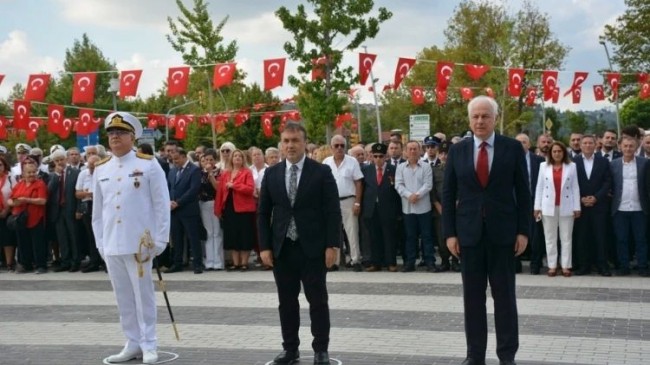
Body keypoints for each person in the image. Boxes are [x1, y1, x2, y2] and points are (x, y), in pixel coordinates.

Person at [442, 96, 531, 365]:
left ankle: (507, 355)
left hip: (503, 235)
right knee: (472, 300)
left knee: (505, 299)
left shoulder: (512, 148)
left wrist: (523, 232)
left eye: (485, 116)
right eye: (475, 117)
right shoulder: (457, 151)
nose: (480, 121)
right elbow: (448, 195)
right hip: (468, 236)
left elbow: (524, 194)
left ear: (495, 118)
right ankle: (475, 355)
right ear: (469, 120)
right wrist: (450, 234)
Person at [258, 122, 341, 365]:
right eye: (286, 141)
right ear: (280, 144)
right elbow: (263, 213)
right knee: (286, 302)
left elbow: (332, 211)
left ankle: (320, 350)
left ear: (304, 143)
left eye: (295, 140)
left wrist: (332, 245)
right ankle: (290, 349)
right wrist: (264, 246)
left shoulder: (321, 172)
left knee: (317, 300)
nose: (290, 145)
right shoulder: (271, 174)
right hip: (282, 249)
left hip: (313, 248)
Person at [92, 112, 170, 364]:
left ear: (132, 136)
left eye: (120, 133)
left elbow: (160, 204)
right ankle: (132, 342)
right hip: (113, 243)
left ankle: (149, 343)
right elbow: (98, 212)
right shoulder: (101, 168)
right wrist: (100, 243)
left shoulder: (148, 164)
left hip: (140, 243)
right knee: (123, 297)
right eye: (111, 133)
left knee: (143, 295)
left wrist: (160, 240)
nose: (115, 137)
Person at [534, 141, 581, 277]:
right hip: (548, 206)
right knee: (550, 238)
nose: (557, 154)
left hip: (567, 205)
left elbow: (575, 187)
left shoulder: (571, 166)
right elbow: (540, 187)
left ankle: (566, 266)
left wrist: (577, 207)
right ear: (550, 153)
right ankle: (552, 266)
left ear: (563, 152)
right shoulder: (543, 166)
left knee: (566, 238)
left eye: (559, 151)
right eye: (554, 151)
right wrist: (537, 207)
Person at [322, 135, 364, 271]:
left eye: (342, 145)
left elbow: (358, 182)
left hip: (349, 200)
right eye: (336, 145)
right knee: (333, 232)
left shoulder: (352, 161)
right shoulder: (326, 162)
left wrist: (357, 203)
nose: (339, 148)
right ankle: (334, 262)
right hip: (331, 202)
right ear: (331, 147)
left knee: (352, 230)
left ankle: (356, 259)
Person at [395, 141, 438, 272]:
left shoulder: (426, 167)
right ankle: (410, 262)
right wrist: (409, 195)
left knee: (427, 236)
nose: (413, 151)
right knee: (410, 236)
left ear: (420, 151)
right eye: (410, 149)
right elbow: (398, 185)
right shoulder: (401, 167)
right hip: (408, 208)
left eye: (415, 149)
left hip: (423, 207)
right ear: (405, 152)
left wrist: (417, 195)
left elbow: (428, 185)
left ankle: (430, 262)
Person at [610, 136, 650, 276]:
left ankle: (643, 266)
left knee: (641, 239)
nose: (628, 149)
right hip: (620, 208)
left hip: (640, 208)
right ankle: (623, 266)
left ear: (636, 147)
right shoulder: (613, 164)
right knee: (621, 239)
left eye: (631, 146)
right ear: (620, 147)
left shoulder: (644, 163)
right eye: (625, 146)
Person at [573, 135, 612, 276]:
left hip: (599, 205)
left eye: (591, 143)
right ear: (581, 146)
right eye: (585, 143)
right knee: (582, 237)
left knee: (600, 236)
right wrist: (580, 199)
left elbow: (607, 182)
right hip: (581, 206)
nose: (588, 145)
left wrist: (596, 197)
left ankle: (602, 266)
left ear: (596, 145)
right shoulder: (573, 162)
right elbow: (570, 184)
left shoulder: (603, 161)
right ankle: (584, 266)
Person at [215, 149, 256, 271]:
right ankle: (235, 263)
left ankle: (244, 263)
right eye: (235, 156)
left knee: (244, 235)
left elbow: (250, 189)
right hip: (229, 208)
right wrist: (218, 208)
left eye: (240, 156)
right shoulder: (225, 174)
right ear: (231, 159)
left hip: (244, 209)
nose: (237, 158)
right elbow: (220, 192)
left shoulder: (247, 172)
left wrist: (235, 186)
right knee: (232, 235)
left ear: (243, 159)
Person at [361, 143, 399, 272]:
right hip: (372, 208)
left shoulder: (393, 169)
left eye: (380, 156)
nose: (378, 159)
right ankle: (375, 262)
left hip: (388, 208)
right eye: (375, 156)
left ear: (385, 156)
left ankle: (391, 262)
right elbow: (363, 189)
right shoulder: (366, 170)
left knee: (389, 236)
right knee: (374, 236)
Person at [165, 148, 203, 274]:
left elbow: (193, 190)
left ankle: (197, 264)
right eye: (173, 160)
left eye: (176, 159)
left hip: (188, 209)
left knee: (193, 237)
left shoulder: (194, 170)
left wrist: (179, 202)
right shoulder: (172, 171)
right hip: (174, 210)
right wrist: (170, 201)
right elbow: (169, 187)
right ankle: (177, 263)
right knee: (176, 238)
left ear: (183, 157)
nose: (175, 162)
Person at [8, 159, 48, 274]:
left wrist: (26, 200)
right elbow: (11, 198)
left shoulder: (40, 184)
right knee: (23, 242)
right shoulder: (19, 184)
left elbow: (43, 201)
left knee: (38, 243)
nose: (31, 174)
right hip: (20, 218)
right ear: (23, 173)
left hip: (35, 217)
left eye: (33, 172)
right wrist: (12, 202)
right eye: (29, 172)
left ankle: (41, 265)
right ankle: (26, 264)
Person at [514, 134, 545, 275]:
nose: (521, 145)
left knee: (535, 235)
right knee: (514, 234)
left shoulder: (539, 161)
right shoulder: (508, 160)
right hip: (514, 202)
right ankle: (515, 263)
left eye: (524, 142)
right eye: (518, 142)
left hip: (534, 202)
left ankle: (535, 264)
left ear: (529, 144)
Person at [75, 155, 102, 273]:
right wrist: (89, 194)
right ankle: (94, 261)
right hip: (88, 205)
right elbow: (77, 193)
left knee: (103, 234)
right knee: (91, 235)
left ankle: (105, 261)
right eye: (90, 167)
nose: (91, 170)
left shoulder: (104, 173)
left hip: (102, 205)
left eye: (94, 167)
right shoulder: (83, 174)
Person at [199, 149, 224, 271]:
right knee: (209, 233)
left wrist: (211, 174)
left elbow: (218, 188)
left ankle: (218, 261)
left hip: (215, 202)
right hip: (204, 203)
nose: (208, 162)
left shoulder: (219, 172)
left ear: (215, 160)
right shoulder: (199, 173)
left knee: (216, 232)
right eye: (206, 160)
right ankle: (209, 261)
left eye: (211, 160)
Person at [0, 155, 17, 272]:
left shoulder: (11, 178)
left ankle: (10, 263)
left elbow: (15, 195)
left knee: (8, 239)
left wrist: (6, 210)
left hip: (8, 212)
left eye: (0, 165)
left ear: (4, 166)